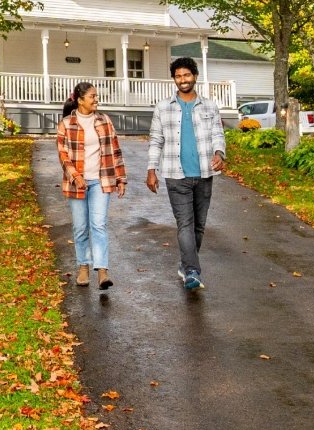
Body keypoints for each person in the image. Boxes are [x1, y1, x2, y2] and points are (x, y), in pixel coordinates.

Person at [144, 57, 226, 290]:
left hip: (204, 173)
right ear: (174, 79)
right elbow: (155, 140)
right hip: (175, 175)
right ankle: (192, 271)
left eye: (186, 75)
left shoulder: (209, 106)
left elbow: (218, 134)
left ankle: (186, 264)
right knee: (185, 224)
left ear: (195, 76)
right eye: (178, 76)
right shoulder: (163, 108)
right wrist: (152, 169)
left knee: (199, 225)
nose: (183, 80)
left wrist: (220, 153)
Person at [55, 81, 126, 290]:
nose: (96, 100)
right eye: (92, 96)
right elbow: (63, 155)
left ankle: (102, 271)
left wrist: (121, 178)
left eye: (96, 96)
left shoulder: (104, 121)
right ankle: (83, 267)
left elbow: (115, 151)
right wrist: (76, 176)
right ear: (80, 100)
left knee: (99, 225)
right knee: (80, 227)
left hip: (101, 180)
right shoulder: (66, 124)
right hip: (77, 183)